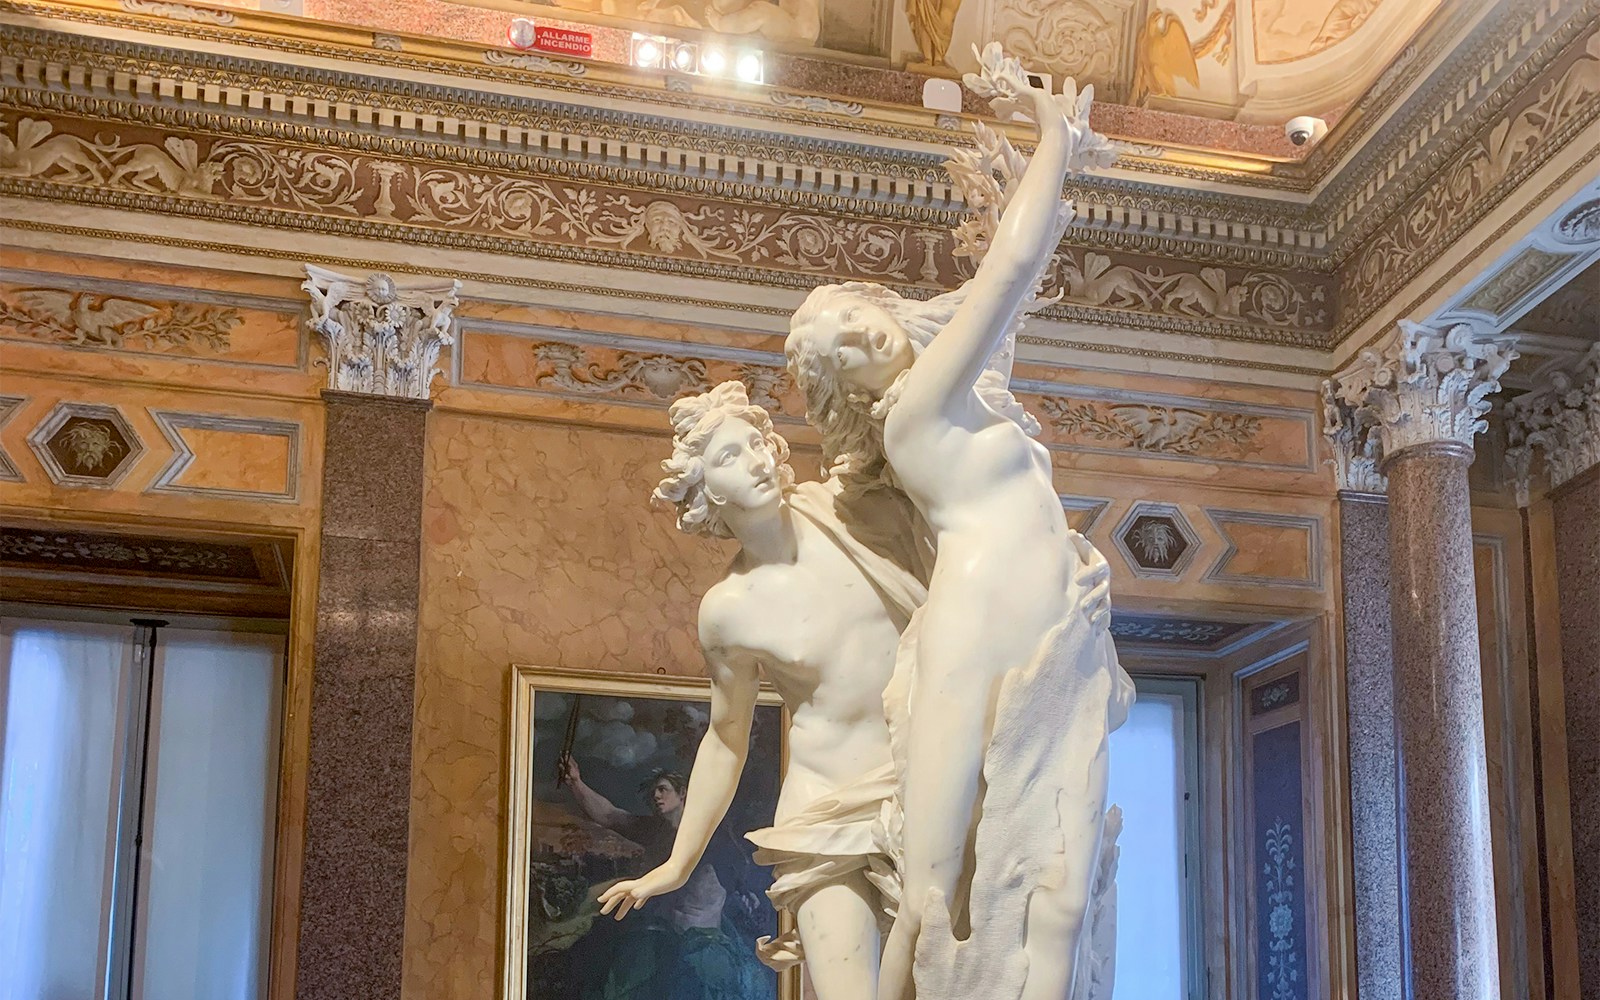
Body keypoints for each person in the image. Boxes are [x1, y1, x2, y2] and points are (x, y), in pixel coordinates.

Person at [783, 49, 1133, 1000]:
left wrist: (1034, 179)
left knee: (1050, 875)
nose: (862, 340)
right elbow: (1014, 269)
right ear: (852, 393)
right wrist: (1053, 137)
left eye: (854, 318)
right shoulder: (915, 409)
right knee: (933, 877)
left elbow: (1010, 281)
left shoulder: (965, 389)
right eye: (842, 355)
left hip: (1044, 618)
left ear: (881, 305)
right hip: (979, 623)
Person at [598, 381, 928, 1000]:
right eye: (728, 456)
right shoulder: (730, 610)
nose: (754, 459)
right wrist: (678, 862)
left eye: (756, 442)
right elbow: (726, 737)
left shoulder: (849, 512)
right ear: (706, 490)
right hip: (823, 810)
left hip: (925, 788)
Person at [559, 757, 767, 1000]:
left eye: (663, 789)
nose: (657, 796)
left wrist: (746, 894)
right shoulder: (654, 831)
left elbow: (740, 875)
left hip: (702, 941)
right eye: (654, 791)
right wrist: (576, 783)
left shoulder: (715, 837)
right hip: (659, 934)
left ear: (683, 794)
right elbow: (610, 816)